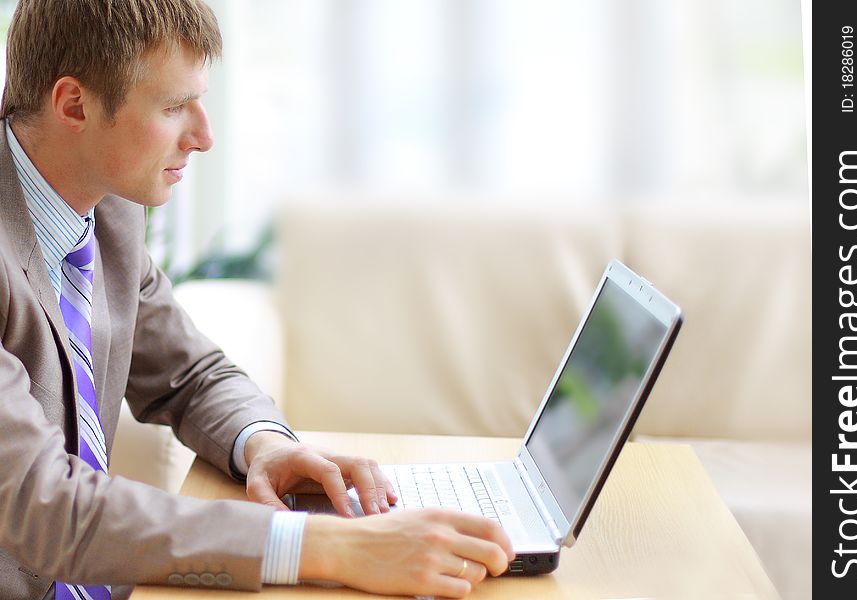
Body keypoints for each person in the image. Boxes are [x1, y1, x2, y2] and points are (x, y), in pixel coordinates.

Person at [0, 1, 514, 599]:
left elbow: (188, 374)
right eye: (173, 107)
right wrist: (329, 546)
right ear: (74, 106)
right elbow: (44, 507)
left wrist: (265, 444)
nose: (203, 136)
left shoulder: (106, 207)